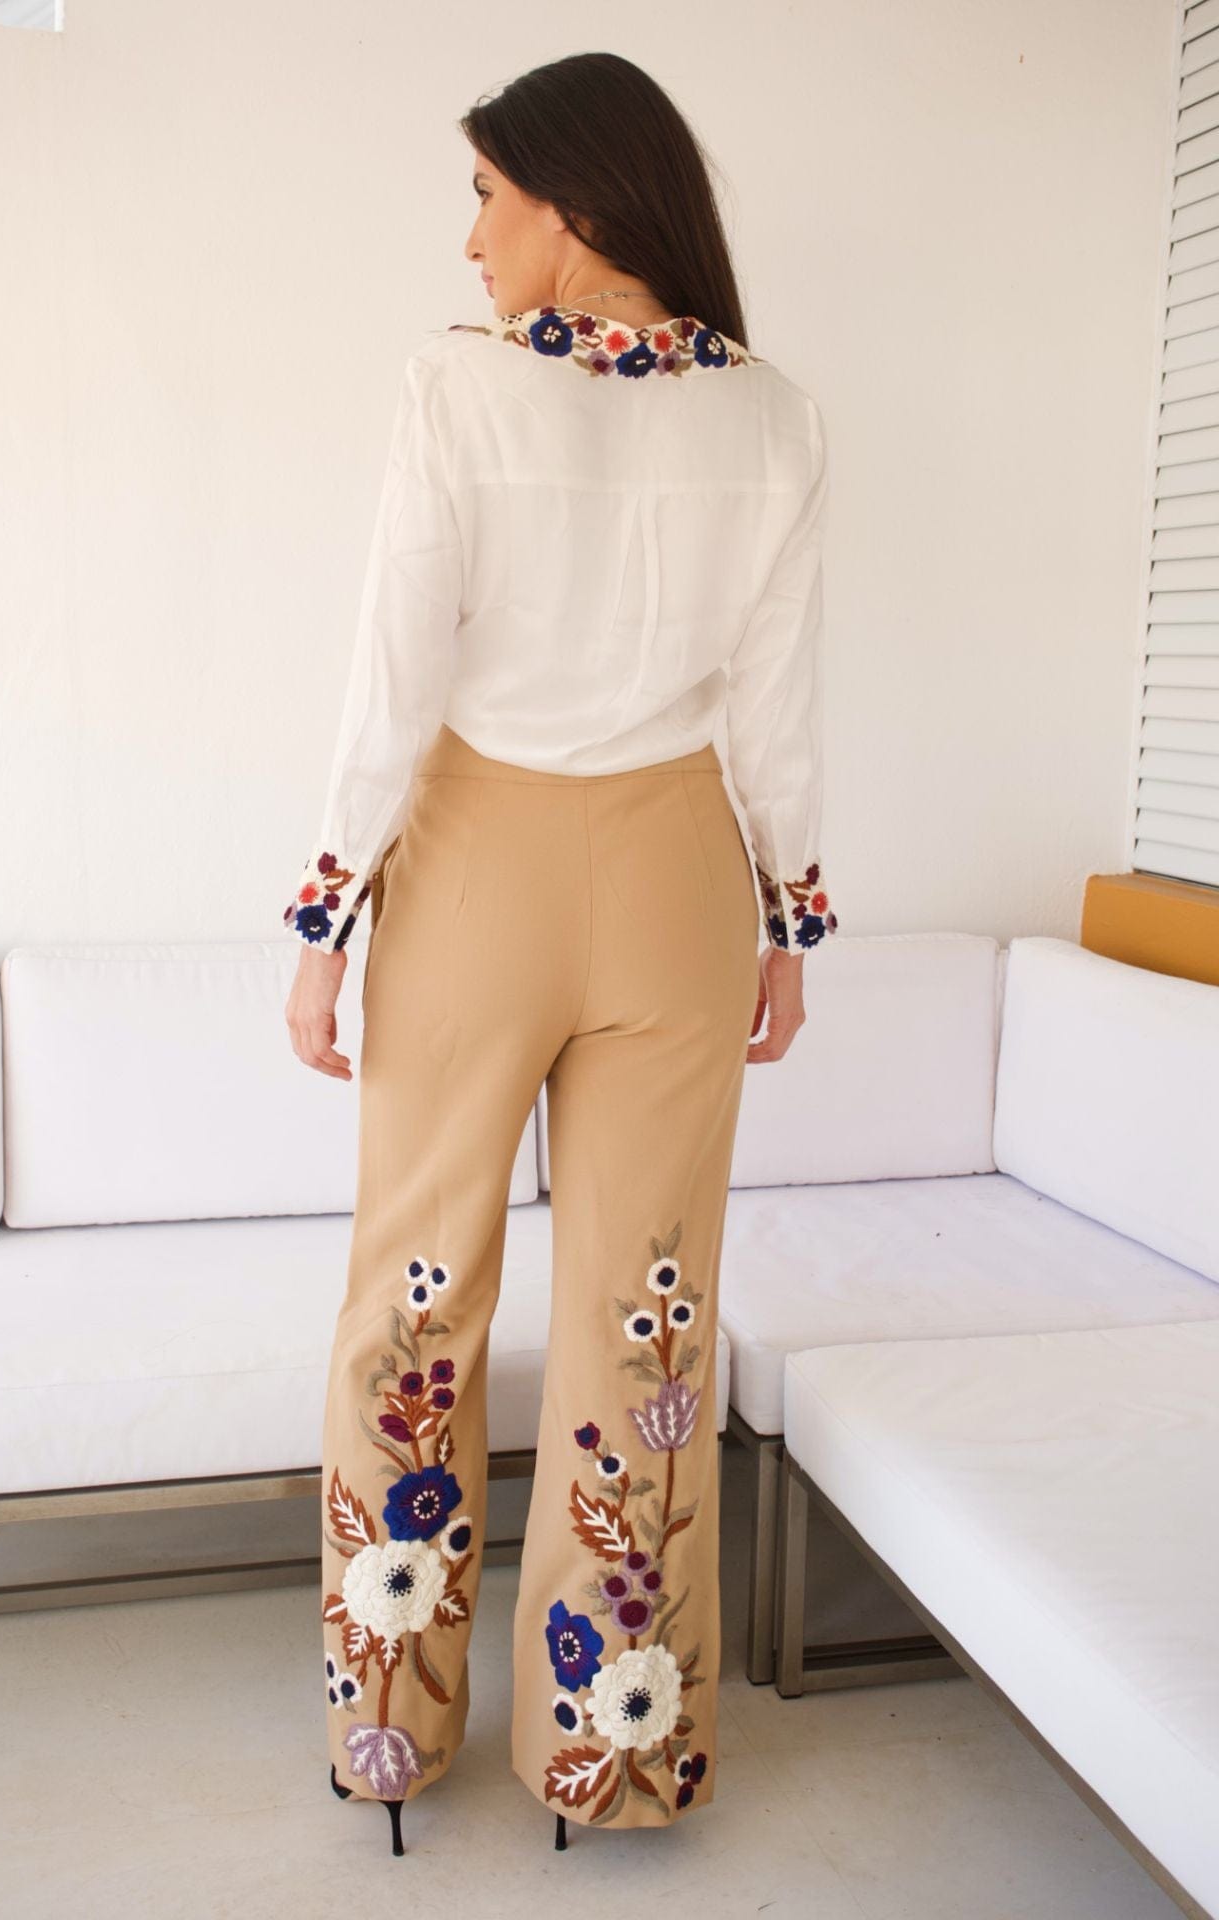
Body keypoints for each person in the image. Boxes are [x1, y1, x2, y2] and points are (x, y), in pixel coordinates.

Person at [282, 50, 837, 1856]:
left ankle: (390, 1731)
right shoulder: (772, 412)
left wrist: (322, 919)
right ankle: (617, 1751)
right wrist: (789, 916)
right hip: (682, 871)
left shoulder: (459, 394)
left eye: (488, 200)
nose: (470, 243)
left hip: (481, 865)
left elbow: (394, 673)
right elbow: (777, 706)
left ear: (576, 206)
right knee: (649, 1311)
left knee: (416, 1297)